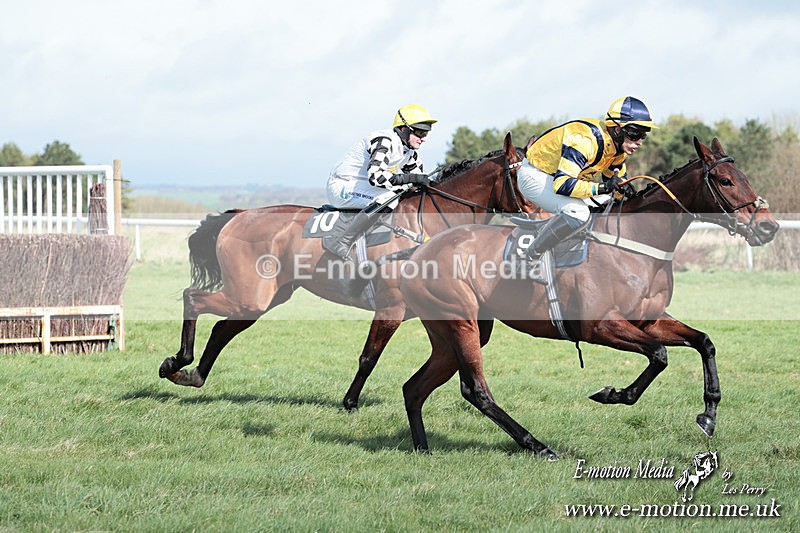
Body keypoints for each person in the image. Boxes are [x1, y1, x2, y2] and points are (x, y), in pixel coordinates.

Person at [516, 96, 657, 269]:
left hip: (557, 179)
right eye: (635, 134)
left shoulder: (618, 149)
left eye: (643, 135)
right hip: (535, 176)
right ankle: (528, 258)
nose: (639, 142)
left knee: (608, 204)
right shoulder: (585, 141)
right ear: (617, 130)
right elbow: (562, 185)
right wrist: (603, 187)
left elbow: (618, 188)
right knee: (579, 213)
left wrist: (625, 190)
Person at [326, 104, 436, 260]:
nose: (423, 139)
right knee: (387, 198)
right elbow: (376, 177)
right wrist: (412, 179)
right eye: (419, 132)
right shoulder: (384, 141)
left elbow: (420, 179)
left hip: (363, 187)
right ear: (403, 129)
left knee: (401, 195)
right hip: (343, 186)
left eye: (426, 133)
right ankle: (342, 241)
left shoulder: (409, 151)